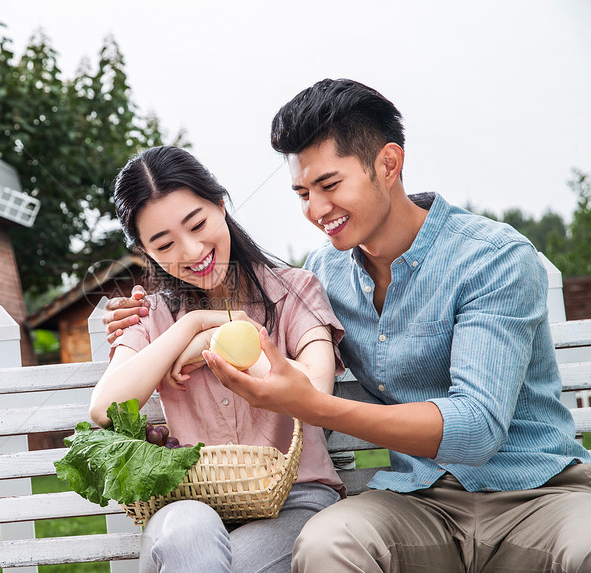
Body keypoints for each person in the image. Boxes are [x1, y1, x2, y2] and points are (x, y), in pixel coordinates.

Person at [106, 79, 591, 572]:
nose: (315, 211)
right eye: (302, 193)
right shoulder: (326, 273)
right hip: (419, 500)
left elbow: (477, 429)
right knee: (327, 544)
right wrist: (163, 329)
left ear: (388, 164)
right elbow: (250, 307)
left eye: (330, 186)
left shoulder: (492, 258)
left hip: (536, 492)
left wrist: (314, 404)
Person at [90, 145, 347, 573]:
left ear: (221, 205)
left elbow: (316, 391)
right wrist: (191, 329)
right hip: (186, 503)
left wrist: (224, 340)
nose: (191, 251)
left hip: (293, 504)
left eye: (198, 223)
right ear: (145, 252)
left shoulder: (296, 289)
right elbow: (104, 408)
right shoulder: (149, 316)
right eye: (164, 243)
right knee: (188, 529)